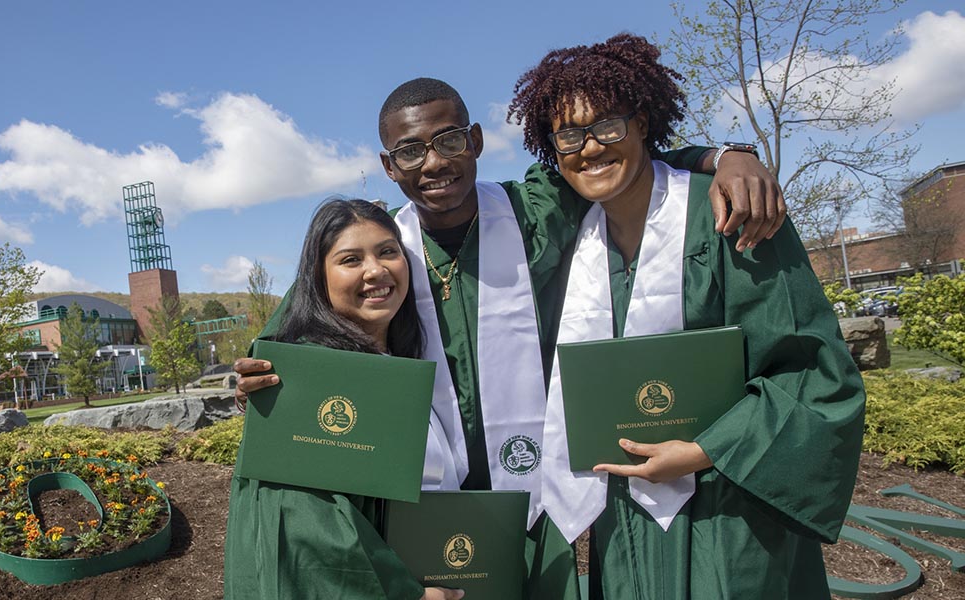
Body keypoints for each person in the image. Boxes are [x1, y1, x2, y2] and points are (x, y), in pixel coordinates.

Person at [236, 77, 787, 600]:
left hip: (534, 502)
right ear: (389, 165)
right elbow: (291, 343)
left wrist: (723, 156)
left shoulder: (535, 211)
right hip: (416, 505)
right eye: (410, 151)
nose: (434, 162)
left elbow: (611, 161)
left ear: (475, 141)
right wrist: (258, 378)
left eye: (450, 140)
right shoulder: (381, 246)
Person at [507, 34, 865, 598]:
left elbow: (813, 371)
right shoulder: (571, 234)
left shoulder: (731, 216)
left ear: (643, 122)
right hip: (619, 511)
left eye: (608, 125)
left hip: (730, 505)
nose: (591, 147)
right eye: (569, 134)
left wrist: (703, 451)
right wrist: (725, 152)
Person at [224, 198, 464, 600]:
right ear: (318, 278)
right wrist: (410, 595)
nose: (376, 270)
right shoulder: (307, 382)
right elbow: (307, 530)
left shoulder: (402, 367)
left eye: (388, 251)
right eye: (350, 259)